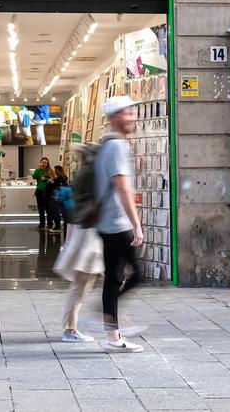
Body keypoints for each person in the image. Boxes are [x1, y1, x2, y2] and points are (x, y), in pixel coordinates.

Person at [96, 95, 144, 352]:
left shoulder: (107, 144)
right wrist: (136, 224)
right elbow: (122, 188)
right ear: (115, 117)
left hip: (109, 222)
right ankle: (107, 323)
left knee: (115, 277)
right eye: (128, 113)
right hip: (117, 223)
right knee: (133, 276)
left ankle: (110, 329)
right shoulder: (116, 147)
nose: (132, 118)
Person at [53, 217, 103, 344]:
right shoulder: (92, 198)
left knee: (79, 288)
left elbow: (71, 217)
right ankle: (70, 329)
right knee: (79, 289)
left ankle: (71, 328)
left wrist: (68, 241)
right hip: (88, 244)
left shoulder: (81, 199)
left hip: (85, 242)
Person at [32, 157, 54, 231]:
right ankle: (41, 225)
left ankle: (50, 225)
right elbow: (34, 176)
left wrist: (45, 179)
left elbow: (53, 181)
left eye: (46, 163)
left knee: (48, 209)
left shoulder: (50, 171)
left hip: (47, 192)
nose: (44, 164)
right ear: (40, 162)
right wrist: (39, 169)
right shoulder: (38, 170)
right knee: (40, 209)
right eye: (43, 162)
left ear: (48, 163)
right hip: (39, 191)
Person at [51, 165, 73, 235]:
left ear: (57, 171)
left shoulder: (59, 179)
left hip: (60, 197)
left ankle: (59, 226)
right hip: (65, 197)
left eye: (55, 170)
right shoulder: (64, 178)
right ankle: (66, 225)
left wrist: (52, 182)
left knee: (59, 212)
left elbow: (55, 187)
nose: (54, 172)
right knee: (65, 212)